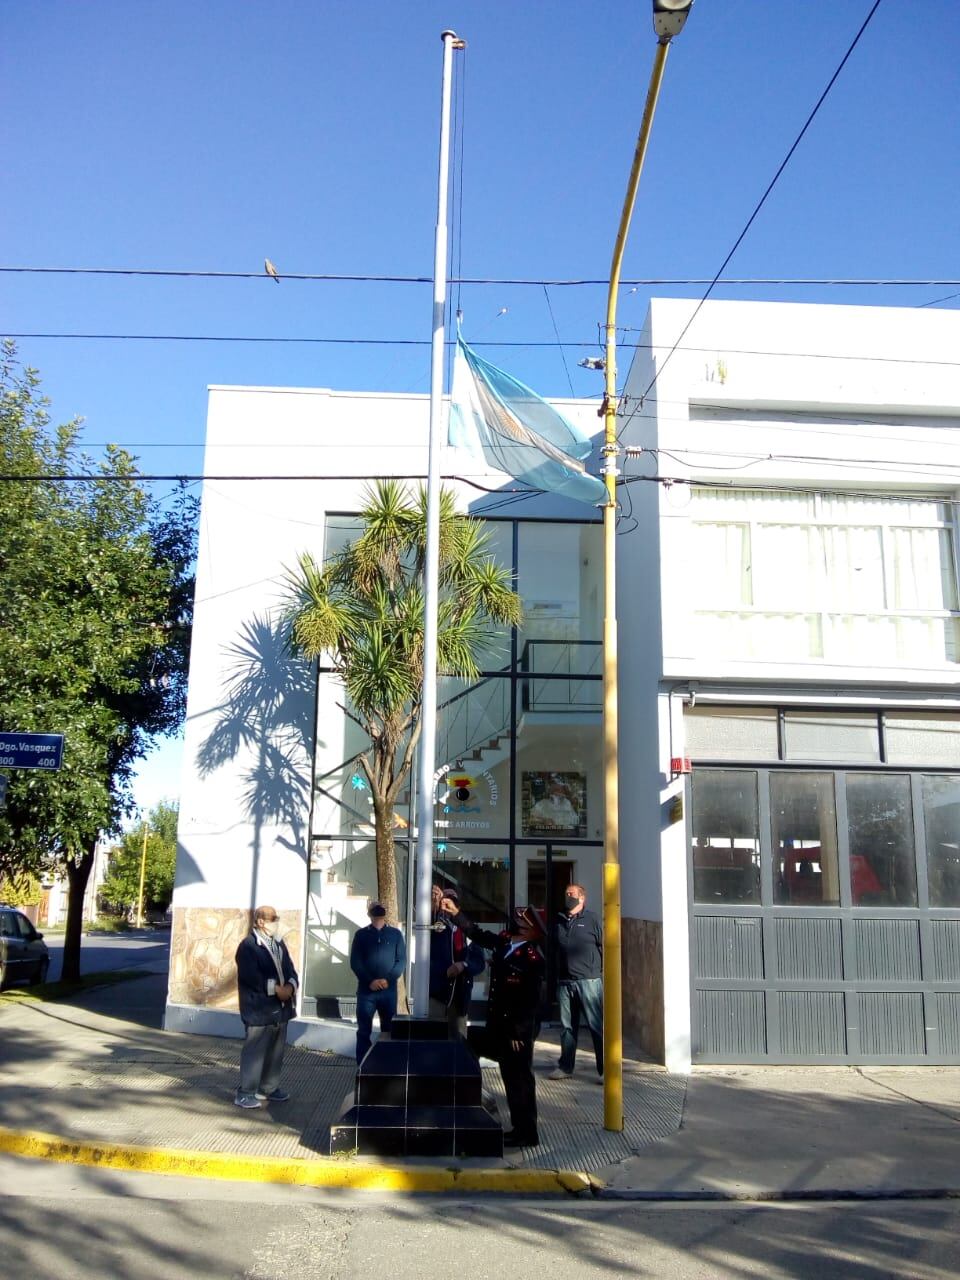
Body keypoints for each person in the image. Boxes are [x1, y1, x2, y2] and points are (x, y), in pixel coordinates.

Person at [441, 895, 545, 1149]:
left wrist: (520, 1034)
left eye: (522, 921)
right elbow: (478, 934)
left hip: (516, 1034)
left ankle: (526, 1132)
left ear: (531, 931)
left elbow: (531, 1002)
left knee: (519, 1081)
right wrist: (456, 912)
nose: (516, 922)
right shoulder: (507, 944)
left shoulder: (531, 958)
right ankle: (474, 1101)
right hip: (498, 1028)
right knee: (470, 1041)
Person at [234, 904, 299, 1108]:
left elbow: (290, 969)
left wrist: (290, 986)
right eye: (272, 919)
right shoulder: (248, 946)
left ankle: (268, 1088)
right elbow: (251, 977)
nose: (275, 923)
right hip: (258, 1009)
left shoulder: (278, 944)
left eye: (276, 919)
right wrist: (276, 989)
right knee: (255, 1050)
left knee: (275, 1050)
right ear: (261, 922)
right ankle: (245, 1092)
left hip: (279, 1009)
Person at [549, 882, 603, 1082]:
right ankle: (565, 1067)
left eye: (571, 893)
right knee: (567, 1027)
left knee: (595, 1026)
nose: (567, 896)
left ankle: (604, 1069)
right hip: (565, 982)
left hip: (588, 981)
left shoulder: (592, 920)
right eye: (566, 893)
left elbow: (604, 946)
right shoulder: (559, 920)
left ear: (582, 898)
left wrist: (597, 971)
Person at [350, 900, 406, 1063]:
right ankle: (363, 1066)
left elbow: (401, 960)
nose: (378, 913)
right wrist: (369, 981)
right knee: (363, 1031)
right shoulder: (361, 935)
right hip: (366, 992)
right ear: (369, 914)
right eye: (374, 909)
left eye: (380, 910)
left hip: (388, 993)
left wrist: (388, 980)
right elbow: (355, 962)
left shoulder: (395, 935)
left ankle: (387, 1065)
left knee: (388, 1031)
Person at [429, 885, 485, 1039]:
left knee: (459, 1039)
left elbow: (479, 962)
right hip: (438, 992)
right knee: (434, 1037)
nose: (447, 907)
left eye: (451, 903)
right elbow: (427, 927)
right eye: (444, 903)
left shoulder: (467, 929)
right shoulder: (435, 926)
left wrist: (464, 965)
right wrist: (433, 905)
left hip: (460, 994)